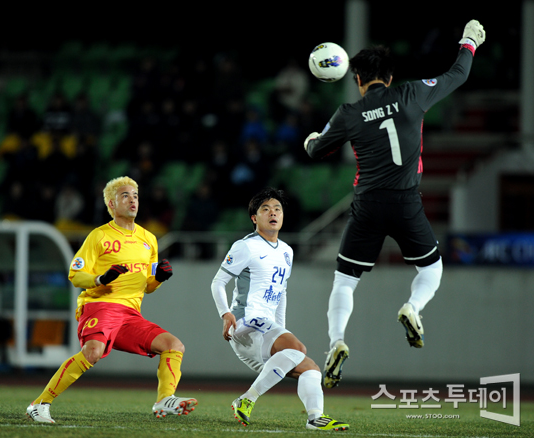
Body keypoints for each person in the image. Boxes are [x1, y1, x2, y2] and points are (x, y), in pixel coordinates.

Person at [303, 20, 486, 389]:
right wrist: (469, 41)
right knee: (431, 271)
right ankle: (412, 308)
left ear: (357, 79)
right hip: (406, 202)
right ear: (389, 77)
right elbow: (457, 74)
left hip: (367, 204)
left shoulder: (348, 114)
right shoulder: (412, 94)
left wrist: (312, 137)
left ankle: (336, 342)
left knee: (344, 282)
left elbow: (315, 150)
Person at [26, 176, 197, 423]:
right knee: (92, 352)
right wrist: (100, 279)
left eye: (135, 195)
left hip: (130, 315)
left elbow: (148, 287)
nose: (132, 200)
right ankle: (39, 404)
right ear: (111, 204)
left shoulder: (149, 239)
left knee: (173, 345)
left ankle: (164, 400)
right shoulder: (99, 236)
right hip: (99, 307)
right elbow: (75, 275)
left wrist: (159, 278)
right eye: (125, 195)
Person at [210, 187, 349, 431]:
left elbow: (281, 292)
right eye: (265, 209)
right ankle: (247, 399)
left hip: (265, 328)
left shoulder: (286, 251)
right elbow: (218, 282)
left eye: (277, 209)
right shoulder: (246, 247)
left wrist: (281, 330)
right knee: (298, 348)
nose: (273, 213)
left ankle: (315, 418)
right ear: (255, 218)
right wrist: (225, 313)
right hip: (245, 323)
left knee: (310, 368)